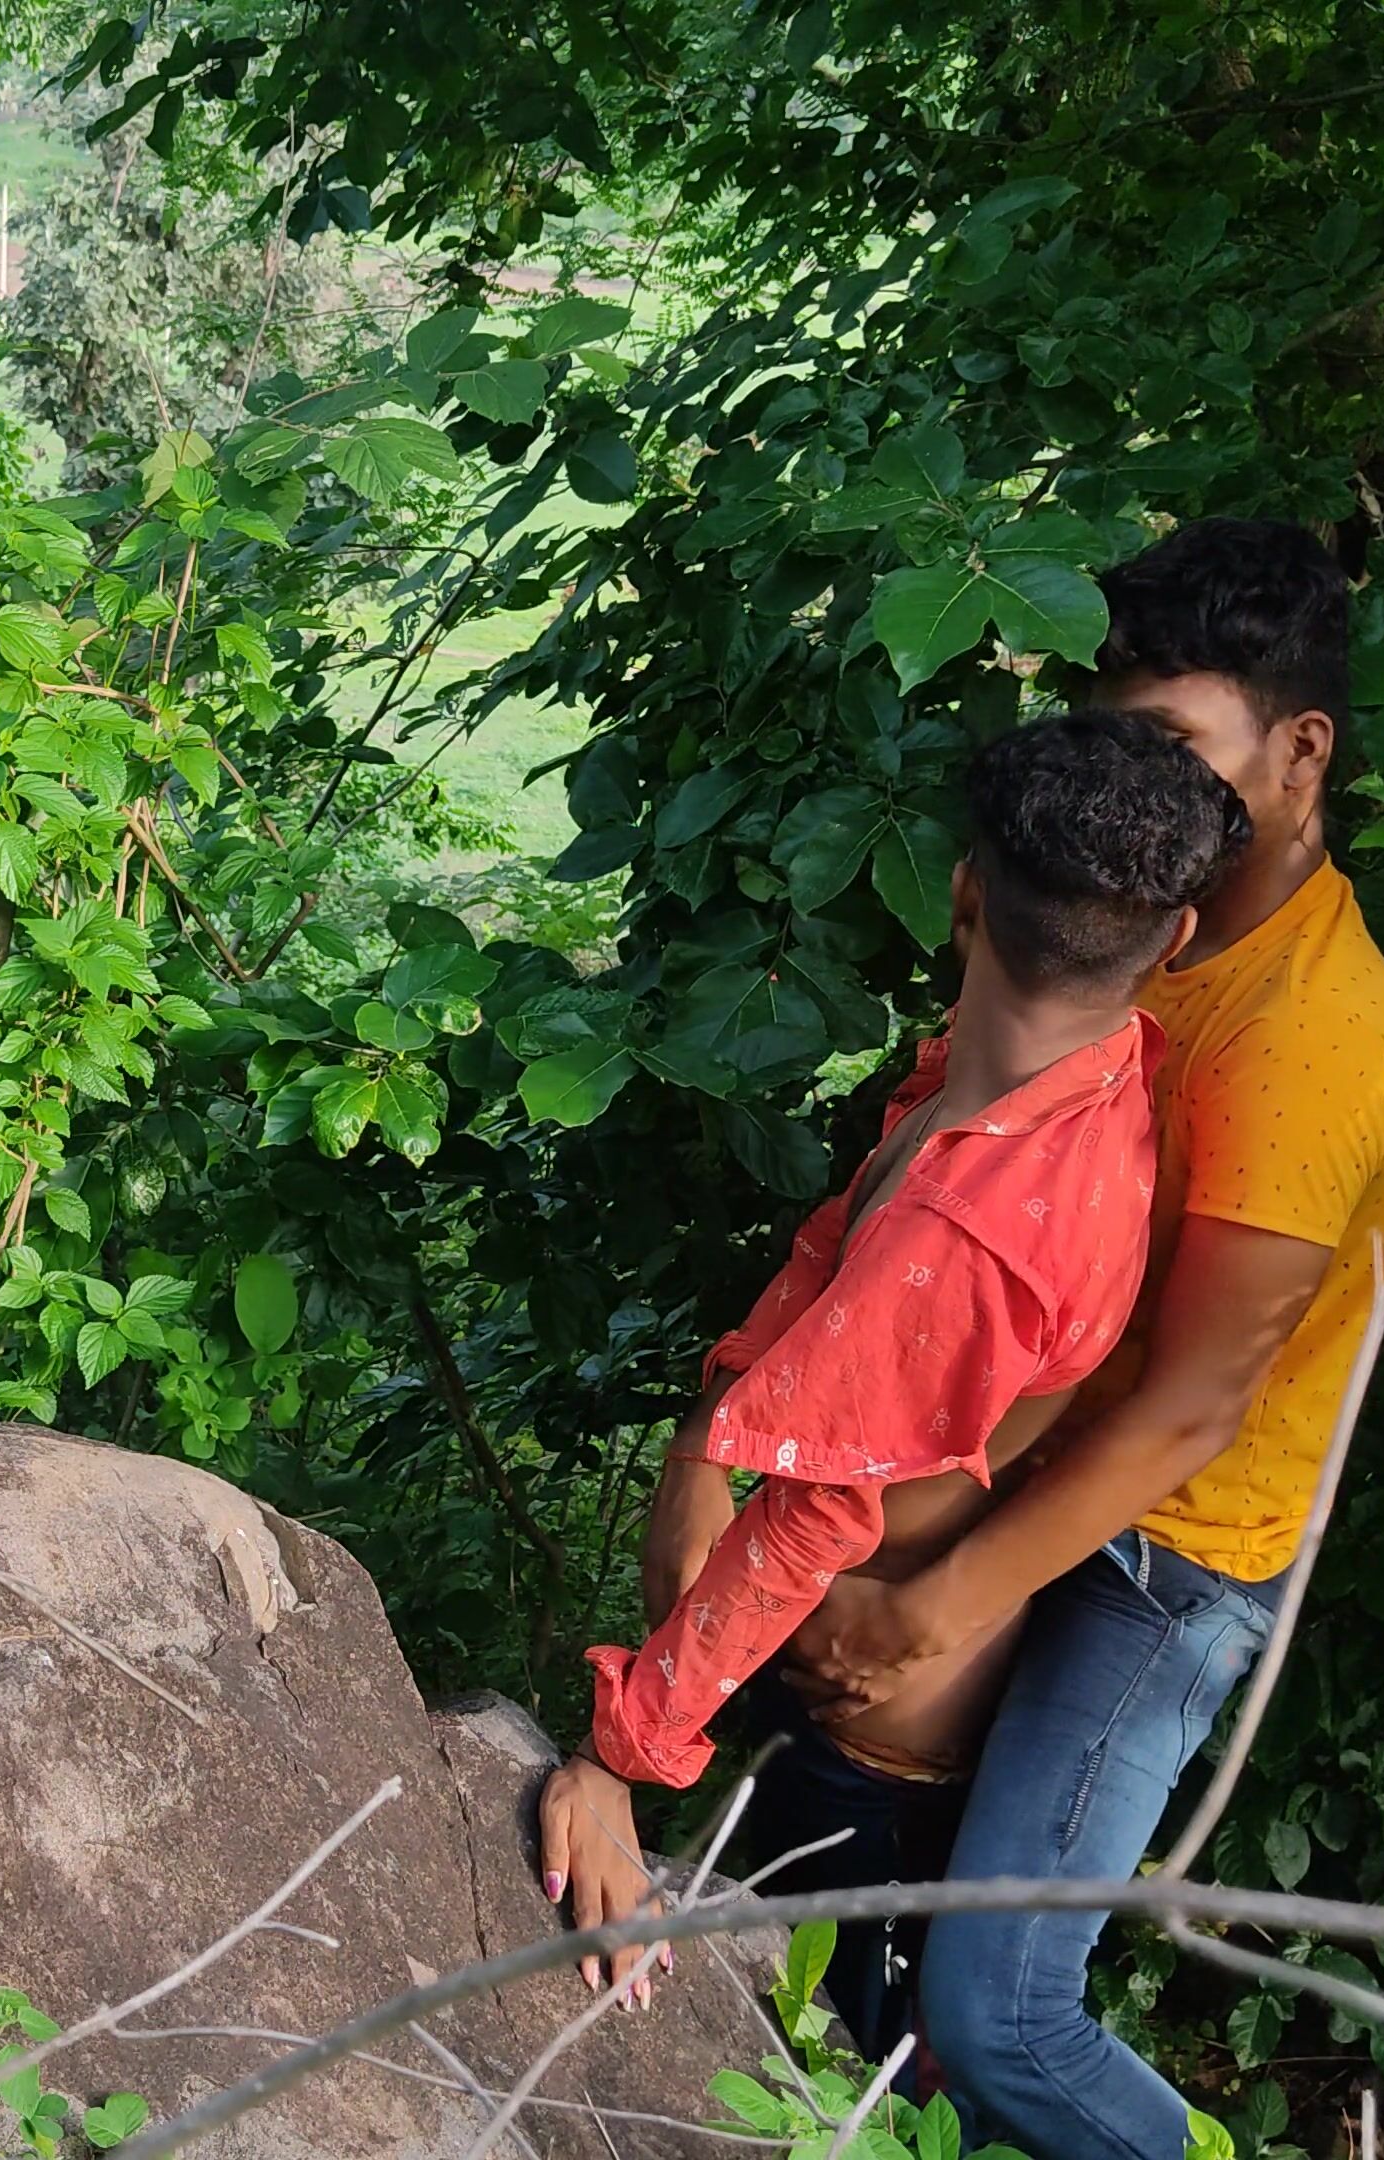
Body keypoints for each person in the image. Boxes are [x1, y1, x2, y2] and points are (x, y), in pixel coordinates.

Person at [670, 519, 1384, 2160]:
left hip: (1167, 1548)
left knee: (999, 2007)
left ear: (1302, 750)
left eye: (1174, 747)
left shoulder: (1313, 1041)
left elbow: (1189, 1411)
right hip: (1026, 1450)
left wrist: (934, 1600)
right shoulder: (1137, 917)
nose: (1137, 783)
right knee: (830, 1862)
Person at [535, 712, 1255, 2006]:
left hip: (859, 1737)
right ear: (1175, 940)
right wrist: (710, 1434)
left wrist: (621, 1762)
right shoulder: (1071, 1074)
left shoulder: (972, 1227)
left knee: (820, 2064)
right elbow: (835, 1239)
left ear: (966, 890)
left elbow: (815, 1521)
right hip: (839, 1672)